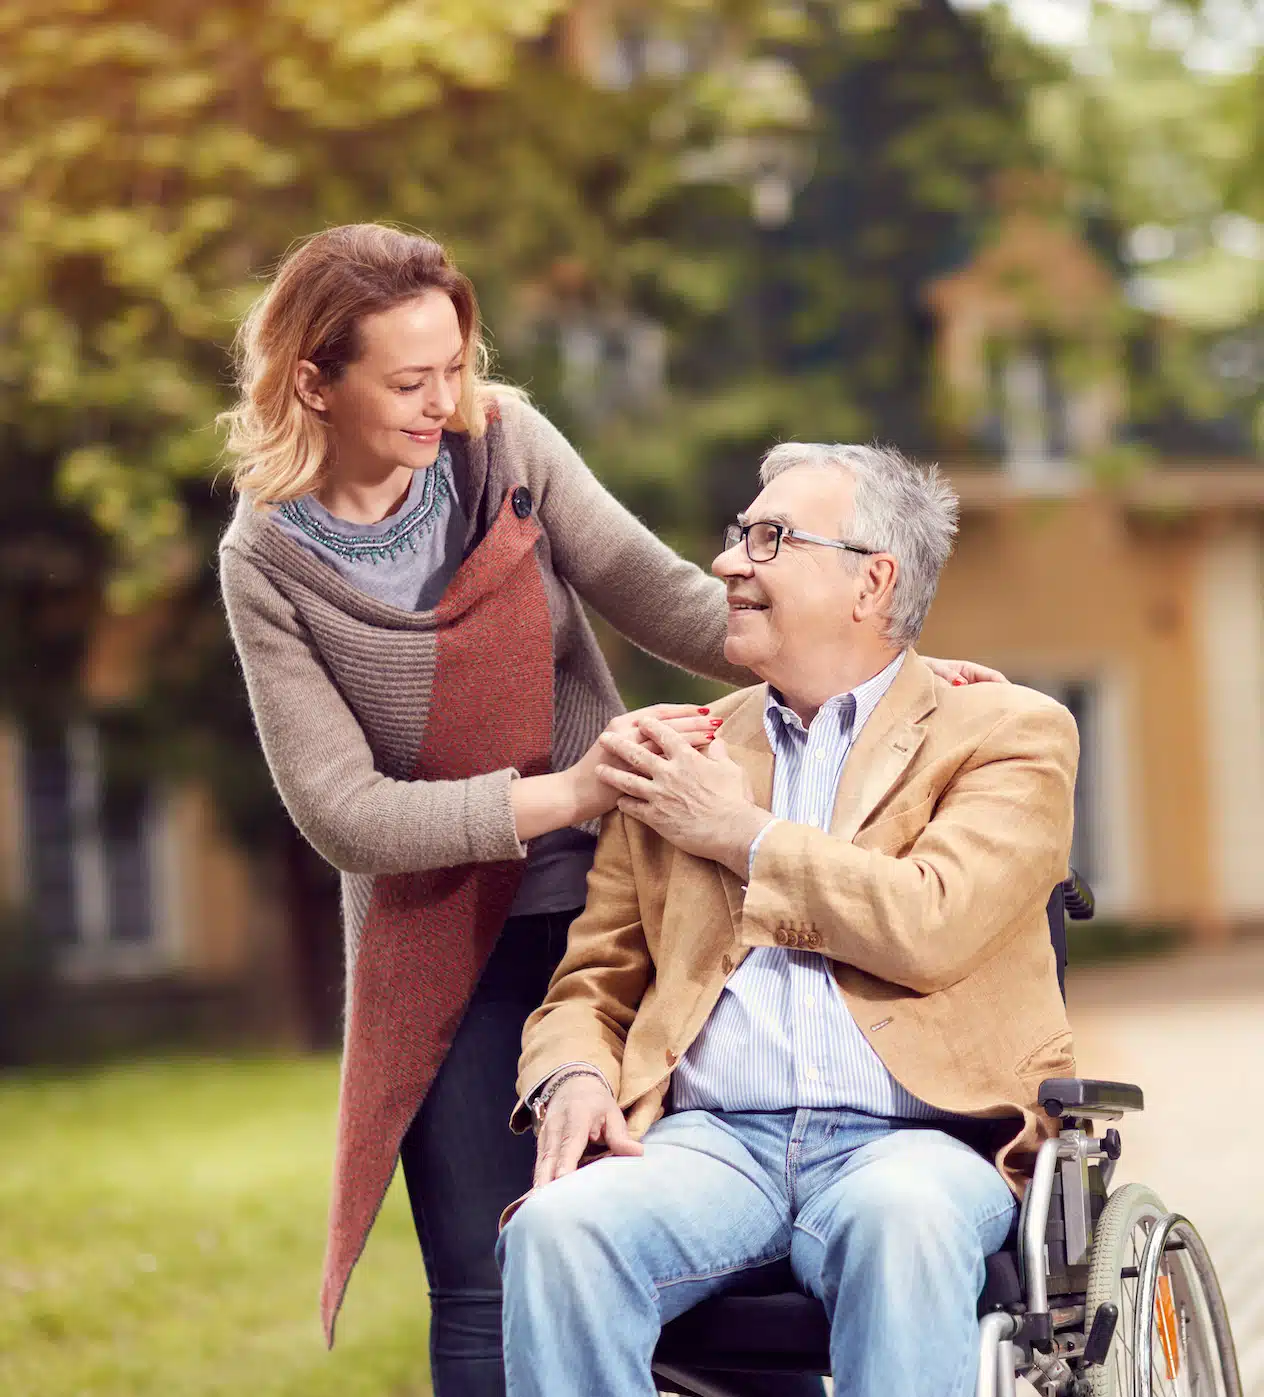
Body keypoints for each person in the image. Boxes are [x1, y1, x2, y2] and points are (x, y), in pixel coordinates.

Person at [217, 224, 999, 1396]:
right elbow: (344, 814)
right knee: (489, 1268)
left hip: (625, 874)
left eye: (456, 365)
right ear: (313, 381)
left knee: (726, 1206)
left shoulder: (502, 446)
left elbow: (665, 595)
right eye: (409, 380)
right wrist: (570, 790)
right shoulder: (267, 560)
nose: (445, 402)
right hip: (442, 933)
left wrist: (891, 678)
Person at [498, 442, 1080, 1397]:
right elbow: (592, 983)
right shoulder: (679, 747)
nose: (728, 562)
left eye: (769, 538)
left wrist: (739, 833)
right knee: (559, 1228)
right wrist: (570, 1075)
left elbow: (932, 921)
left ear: (871, 581)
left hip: (916, 1142)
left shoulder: (1011, 733)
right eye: (738, 536)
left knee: (903, 1222)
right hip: (709, 1142)